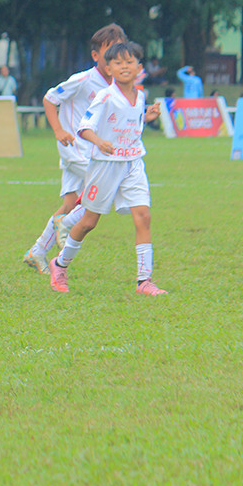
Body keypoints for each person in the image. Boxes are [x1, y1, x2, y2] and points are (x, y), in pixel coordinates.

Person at [48, 41, 166, 295]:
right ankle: (59, 264)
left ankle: (144, 281)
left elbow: (129, 122)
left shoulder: (141, 96)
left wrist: (146, 117)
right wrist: (99, 141)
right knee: (89, 222)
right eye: (118, 62)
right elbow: (84, 127)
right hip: (105, 166)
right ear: (109, 69)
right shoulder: (105, 96)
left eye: (130, 62)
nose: (124, 66)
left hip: (133, 163)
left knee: (143, 216)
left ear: (139, 68)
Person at [23, 23, 127, 275]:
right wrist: (58, 130)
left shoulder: (116, 87)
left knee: (71, 203)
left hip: (91, 151)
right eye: (109, 52)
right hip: (76, 149)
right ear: (95, 56)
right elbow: (50, 98)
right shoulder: (82, 80)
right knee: (107, 189)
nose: (115, 58)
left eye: (120, 53)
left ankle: (37, 251)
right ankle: (64, 224)